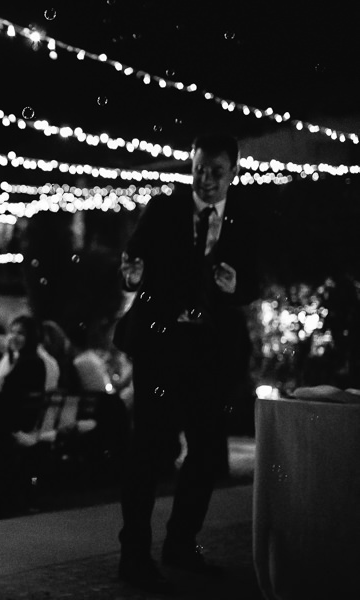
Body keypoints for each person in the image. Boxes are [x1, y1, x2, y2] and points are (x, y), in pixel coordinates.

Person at [113, 133, 259, 593]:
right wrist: (131, 275)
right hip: (161, 346)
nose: (205, 179)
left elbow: (256, 279)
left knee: (207, 452)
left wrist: (237, 286)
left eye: (216, 171)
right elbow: (132, 262)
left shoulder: (244, 217)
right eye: (199, 168)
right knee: (148, 450)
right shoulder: (163, 209)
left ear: (233, 170)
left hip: (211, 353)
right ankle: (133, 555)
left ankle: (181, 542)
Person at [0, 315, 59, 432]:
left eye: (20, 333)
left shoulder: (28, 364)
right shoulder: (36, 361)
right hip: (24, 426)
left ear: (31, 337)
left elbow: (5, 398)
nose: (13, 337)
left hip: (14, 429)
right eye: (12, 332)